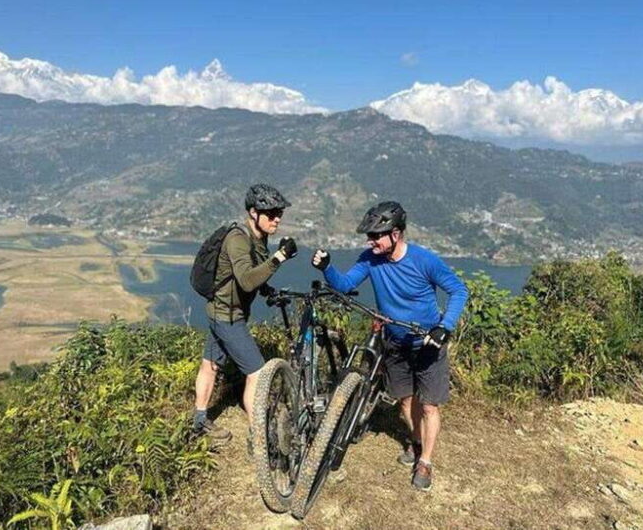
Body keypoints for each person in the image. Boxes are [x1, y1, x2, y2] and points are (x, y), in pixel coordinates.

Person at [311, 201, 468, 491]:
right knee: (406, 401)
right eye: (368, 236)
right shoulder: (370, 259)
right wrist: (327, 268)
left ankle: (426, 462)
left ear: (395, 234)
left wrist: (445, 327)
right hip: (395, 343)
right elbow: (345, 284)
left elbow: (458, 290)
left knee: (429, 406)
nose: (370, 241)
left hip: (428, 344)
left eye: (375, 236)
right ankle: (416, 441)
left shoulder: (424, 260)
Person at [193, 184, 297, 451]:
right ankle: (259, 438)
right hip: (227, 318)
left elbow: (252, 272)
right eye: (271, 213)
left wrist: (267, 289)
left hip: (220, 312)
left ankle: (199, 421)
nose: (277, 218)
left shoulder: (258, 237)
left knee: (210, 365)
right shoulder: (238, 239)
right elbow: (247, 280)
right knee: (258, 374)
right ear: (253, 212)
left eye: (279, 213)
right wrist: (280, 257)